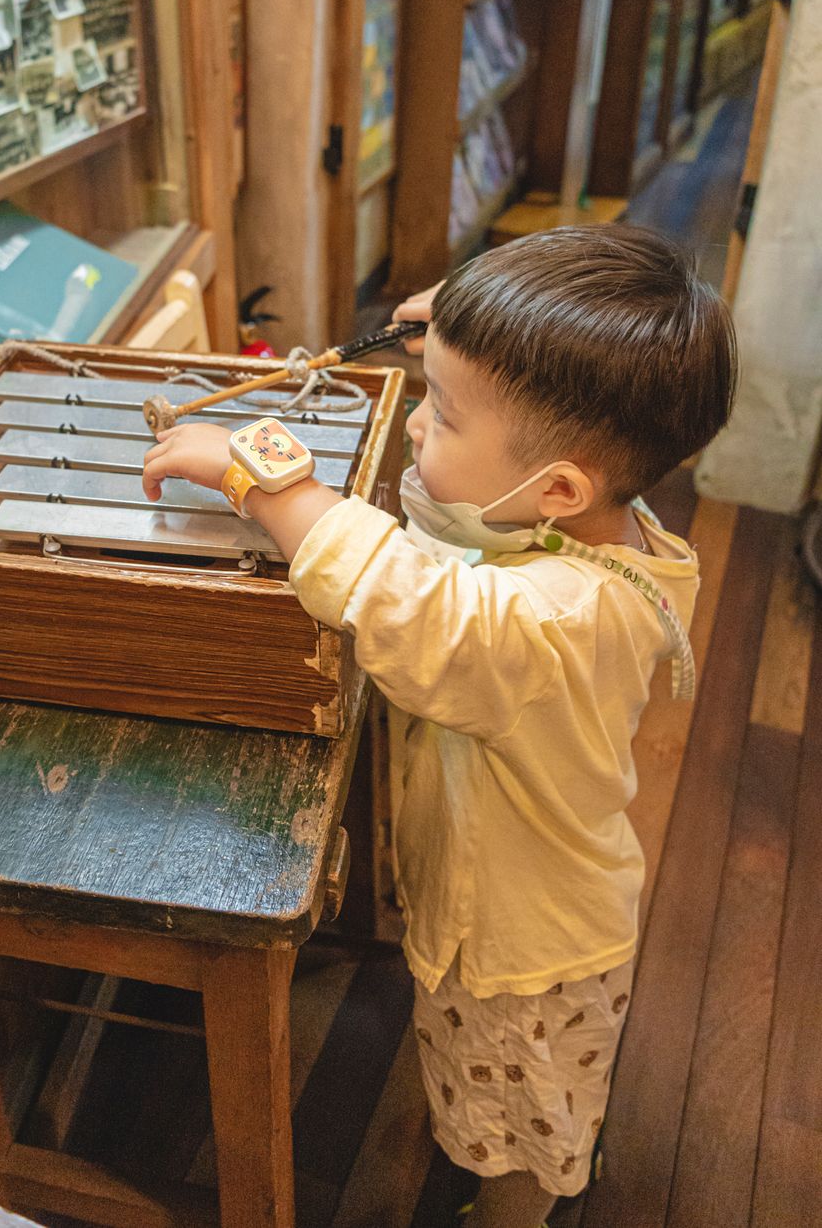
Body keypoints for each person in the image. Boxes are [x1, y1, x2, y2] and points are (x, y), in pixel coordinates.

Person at [141, 225, 737, 1228]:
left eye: (444, 414)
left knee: (518, 1122)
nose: (417, 428)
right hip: (515, 902)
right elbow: (450, 518)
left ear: (557, 490)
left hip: (525, 949)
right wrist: (474, 324)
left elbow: (421, 606)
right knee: (493, 1091)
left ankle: (515, 1212)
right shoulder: (587, 525)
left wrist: (266, 484)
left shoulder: (556, 620)